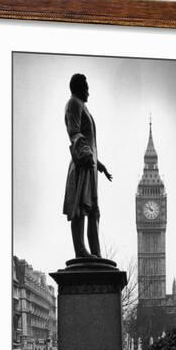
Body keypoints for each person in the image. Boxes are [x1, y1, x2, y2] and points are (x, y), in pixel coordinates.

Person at [63, 73, 112, 258]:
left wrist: (100, 165)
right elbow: (74, 132)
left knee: (93, 210)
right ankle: (81, 251)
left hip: (90, 164)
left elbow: (90, 142)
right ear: (79, 88)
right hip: (82, 163)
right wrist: (86, 154)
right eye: (87, 88)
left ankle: (96, 253)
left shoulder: (83, 107)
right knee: (80, 207)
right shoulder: (73, 104)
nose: (89, 93)